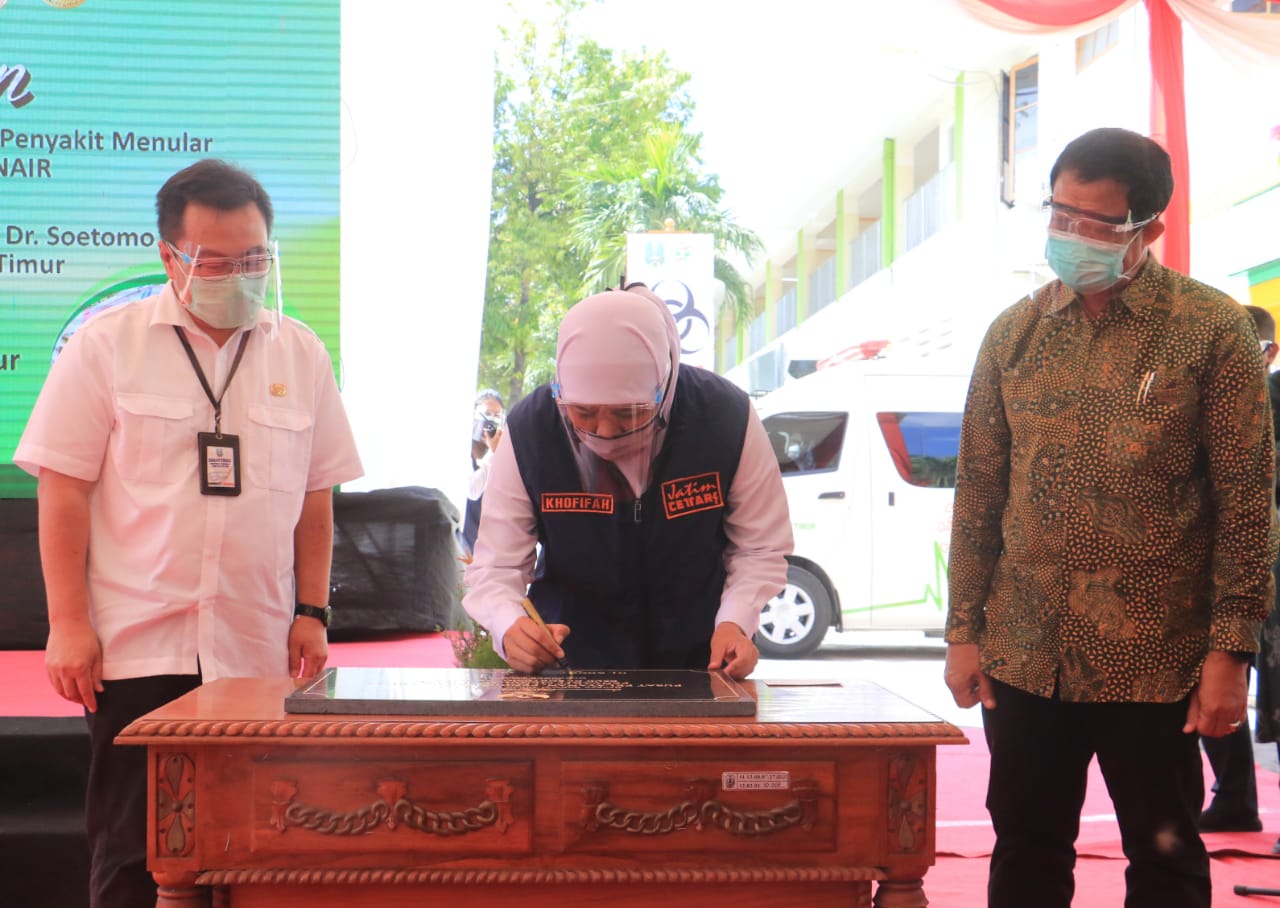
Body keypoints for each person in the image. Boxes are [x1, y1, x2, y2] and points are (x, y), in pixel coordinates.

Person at [14, 158, 364, 908]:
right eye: (216, 260)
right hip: (138, 643)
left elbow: (316, 493)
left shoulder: (300, 352)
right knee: (136, 852)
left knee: (255, 849)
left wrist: (312, 612)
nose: (238, 275)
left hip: (254, 645)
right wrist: (68, 624)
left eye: (255, 258)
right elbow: (64, 490)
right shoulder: (106, 347)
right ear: (170, 256)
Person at [943, 127, 1277, 908]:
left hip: (1156, 662)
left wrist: (1233, 653)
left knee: (1164, 855)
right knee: (1024, 851)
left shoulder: (1211, 331)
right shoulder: (1014, 335)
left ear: (1147, 229)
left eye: (1095, 225)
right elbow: (980, 492)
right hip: (1025, 655)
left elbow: (1245, 502)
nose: (1070, 237)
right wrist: (963, 631)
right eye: (1060, 215)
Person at [462, 284, 792, 679]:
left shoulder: (725, 418)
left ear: (664, 387)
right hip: (569, 669)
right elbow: (496, 565)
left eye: (628, 414)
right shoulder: (531, 429)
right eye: (583, 413)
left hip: (699, 666)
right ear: (560, 391)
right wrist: (508, 626)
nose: (605, 433)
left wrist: (736, 621)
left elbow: (759, 546)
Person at [1197, 304, 1278, 835]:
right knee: (1211, 686)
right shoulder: (1211, 398)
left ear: (1267, 353)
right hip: (1212, 565)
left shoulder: (1271, 398)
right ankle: (1234, 799)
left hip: (1265, 563)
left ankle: (1238, 800)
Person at [460, 388, 505, 555]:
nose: (491, 420)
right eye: (486, 413)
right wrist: (493, 455)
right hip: (462, 543)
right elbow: (472, 491)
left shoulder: (500, 455)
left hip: (487, 548)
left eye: (496, 415)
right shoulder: (463, 451)